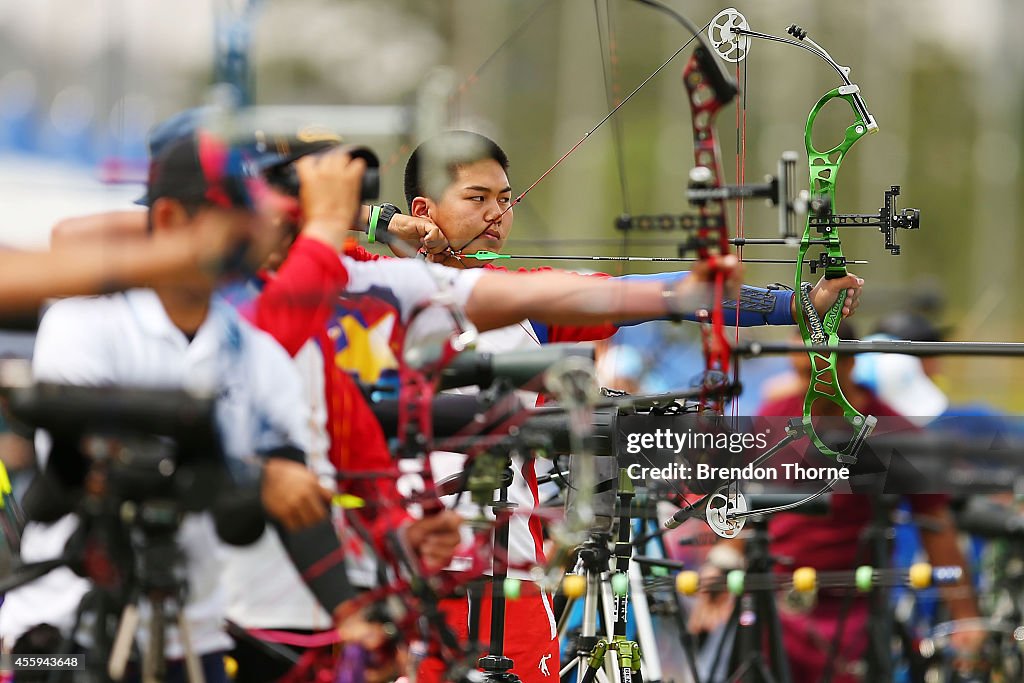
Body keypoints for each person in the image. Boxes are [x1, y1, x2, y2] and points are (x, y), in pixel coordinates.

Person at [335, 129, 864, 683]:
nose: (497, 213)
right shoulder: (360, 283)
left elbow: (651, 295)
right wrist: (385, 222)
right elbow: (282, 211)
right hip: (383, 564)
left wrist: (795, 304)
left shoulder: (527, 302)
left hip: (498, 570)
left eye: (505, 198)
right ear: (426, 208)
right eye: (477, 197)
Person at [0, 127, 348, 682]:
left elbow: (295, 503)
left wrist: (354, 616)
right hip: (58, 637)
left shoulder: (256, 354)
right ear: (166, 221)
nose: (248, 232)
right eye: (228, 214)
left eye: (252, 215)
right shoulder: (83, 322)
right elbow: (95, 464)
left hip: (193, 640)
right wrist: (256, 477)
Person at [688, 322, 982, 683]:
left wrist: (966, 619)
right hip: (776, 608)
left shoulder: (894, 432)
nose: (811, 382)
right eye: (800, 369)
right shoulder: (774, 415)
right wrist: (722, 561)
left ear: (850, 362)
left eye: (820, 368)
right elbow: (747, 505)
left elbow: (936, 526)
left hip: (854, 615)